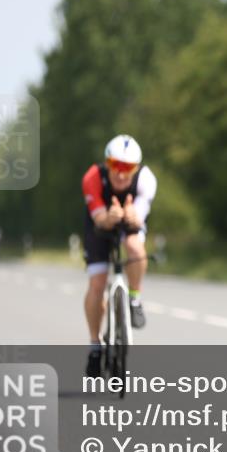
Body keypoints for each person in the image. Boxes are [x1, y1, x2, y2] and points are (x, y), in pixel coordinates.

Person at [81, 134, 157, 378]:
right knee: (97, 283)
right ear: (107, 163)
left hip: (129, 218)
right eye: (116, 166)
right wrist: (109, 217)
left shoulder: (146, 179)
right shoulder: (93, 177)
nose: (121, 174)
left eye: (128, 168)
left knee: (135, 248)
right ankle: (95, 346)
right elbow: (99, 217)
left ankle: (134, 299)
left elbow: (140, 214)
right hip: (100, 223)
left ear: (136, 168)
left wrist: (133, 216)